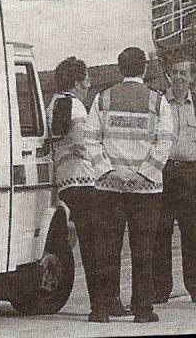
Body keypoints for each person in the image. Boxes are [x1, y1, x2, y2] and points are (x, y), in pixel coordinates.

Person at [86, 47, 174, 323]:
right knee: (143, 250)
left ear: (119, 68)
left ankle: (102, 309)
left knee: (107, 249)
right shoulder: (157, 101)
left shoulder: (103, 98)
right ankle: (143, 310)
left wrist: (109, 172)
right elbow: (165, 141)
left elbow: (91, 140)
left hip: (110, 188)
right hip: (146, 189)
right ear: (145, 69)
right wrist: (144, 174)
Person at [46, 57, 110, 322]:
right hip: (82, 179)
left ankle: (102, 305)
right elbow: (83, 144)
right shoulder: (75, 106)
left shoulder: (55, 103)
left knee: (88, 242)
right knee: (94, 245)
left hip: (65, 180)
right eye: (86, 79)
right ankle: (101, 307)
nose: (88, 84)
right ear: (76, 82)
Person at [152, 55, 196, 303]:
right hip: (164, 173)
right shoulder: (159, 103)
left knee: (193, 233)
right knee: (161, 232)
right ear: (168, 75)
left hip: (191, 176)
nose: (178, 77)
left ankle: (195, 287)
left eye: (183, 73)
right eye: (174, 72)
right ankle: (160, 289)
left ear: (191, 77)